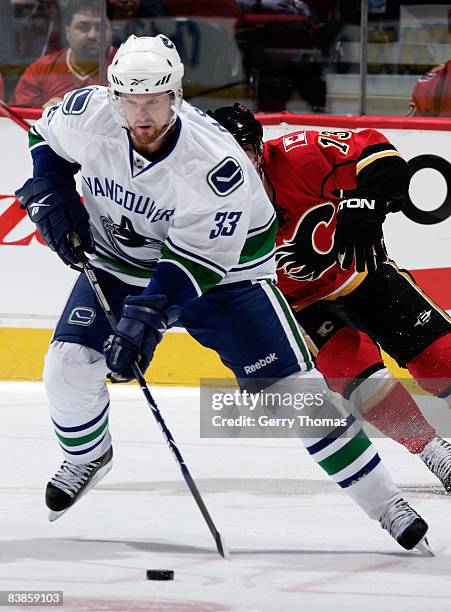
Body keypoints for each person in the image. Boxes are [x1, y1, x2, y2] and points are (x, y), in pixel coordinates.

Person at [17, 34, 430, 552]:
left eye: (154, 101)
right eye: (130, 100)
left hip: (226, 276)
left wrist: (144, 320)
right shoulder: (88, 114)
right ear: (113, 94)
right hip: (121, 263)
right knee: (67, 365)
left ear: (177, 95)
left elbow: (192, 267)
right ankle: (86, 456)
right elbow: (44, 139)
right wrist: (48, 192)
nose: (141, 116)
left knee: (295, 398)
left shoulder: (214, 163)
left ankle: (386, 502)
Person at [209, 103, 451, 490]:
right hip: (299, 307)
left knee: (443, 358)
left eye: (244, 152)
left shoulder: (299, 154)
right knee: (357, 373)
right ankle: (434, 453)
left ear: (260, 148)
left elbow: (378, 154)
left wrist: (367, 200)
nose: (237, 167)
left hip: (361, 274)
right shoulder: (197, 206)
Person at [10, 0, 115, 108]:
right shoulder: (41, 69)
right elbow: (19, 118)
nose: (92, 35)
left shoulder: (127, 66)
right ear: (67, 32)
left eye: (100, 27)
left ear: (111, 31)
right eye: (83, 27)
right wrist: (46, 114)